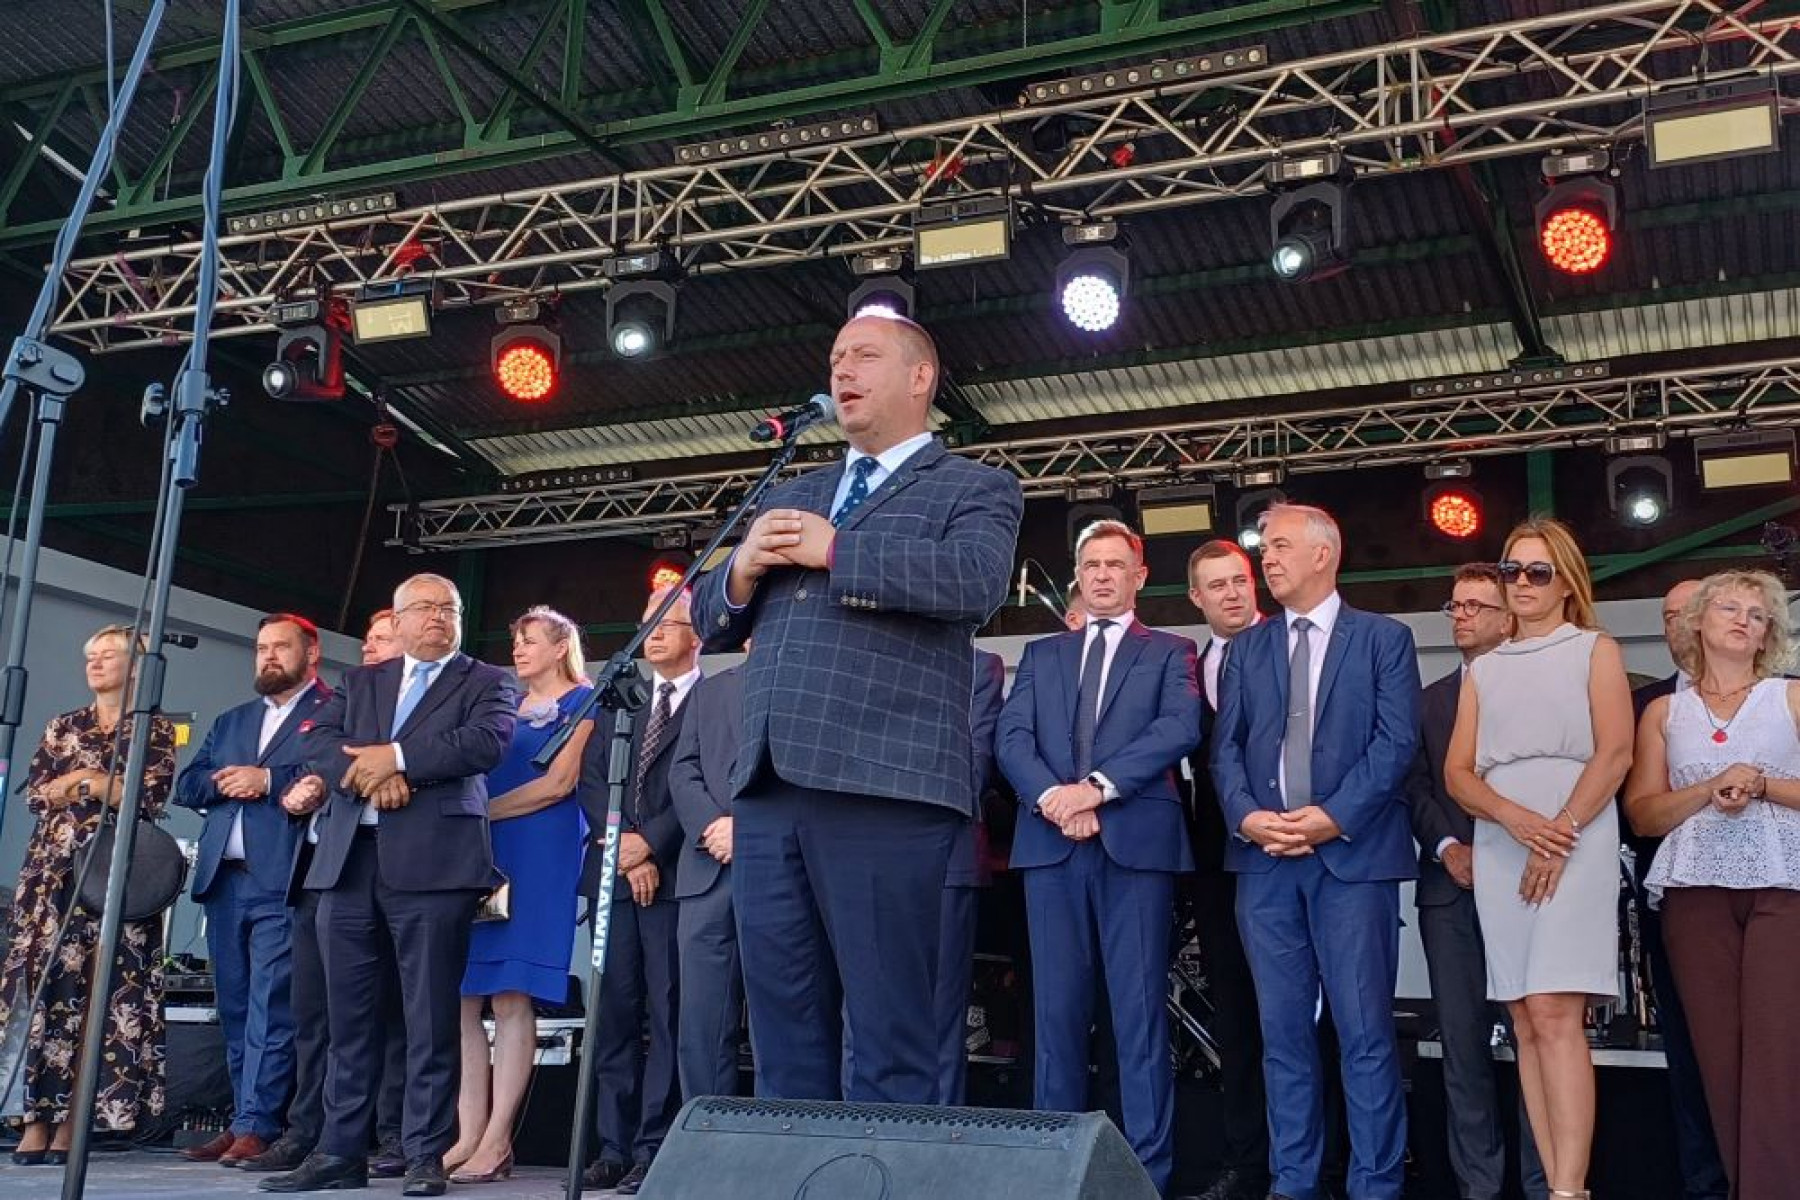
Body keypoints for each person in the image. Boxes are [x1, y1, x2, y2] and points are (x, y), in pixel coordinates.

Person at [689, 312, 1022, 1104]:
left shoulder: (974, 486)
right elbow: (708, 619)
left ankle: (883, 1166)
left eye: (865, 356)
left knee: (889, 1032)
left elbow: (973, 583)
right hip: (770, 788)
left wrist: (836, 549)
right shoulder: (793, 491)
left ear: (920, 378)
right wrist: (739, 569)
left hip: (886, 785)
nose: (842, 370)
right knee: (781, 1028)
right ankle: (794, 1167)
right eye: (836, 357)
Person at [262, 574, 516, 1198]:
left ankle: (424, 1153)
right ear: (397, 622)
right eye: (424, 608)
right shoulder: (362, 680)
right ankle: (339, 1151)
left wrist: (396, 759)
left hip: (436, 868)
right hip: (349, 864)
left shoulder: (487, 680)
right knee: (347, 1018)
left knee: (429, 1017)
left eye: (449, 608)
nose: (438, 617)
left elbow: (485, 743)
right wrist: (370, 774)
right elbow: (318, 740)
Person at [1210, 502, 1420, 1200]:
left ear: (1323, 554)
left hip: (1352, 861)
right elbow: (1225, 751)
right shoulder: (1247, 649)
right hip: (1264, 863)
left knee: (1365, 1034)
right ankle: (1292, 1183)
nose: (1266, 559)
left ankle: (1375, 1185)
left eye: (1279, 546)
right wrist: (1248, 818)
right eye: (1264, 547)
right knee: (1283, 1036)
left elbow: (1396, 743)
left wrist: (1334, 817)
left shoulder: (1384, 639)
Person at [998, 519, 1200, 1193]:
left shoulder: (1171, 651)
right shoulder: (1043, 654)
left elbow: (1179, 727)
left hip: (1133, 849)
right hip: (1051, 847)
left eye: (1116, 565)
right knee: (1054, 1017)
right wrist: (1054, 799)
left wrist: (1096, 790)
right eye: (1092, 565)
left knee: (1139, 1017)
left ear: (1140, 576)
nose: (1104, 575)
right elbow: (1012, 738)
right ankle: (1051, 1170)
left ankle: (1147, 1176)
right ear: (1079, 576)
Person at [1445, 518, 1633, 1200]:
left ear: (1566, 583)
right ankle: (1556, 1182)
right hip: (1504, 839)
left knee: (1555, 1008)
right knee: (1524, 1015)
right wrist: (1515, 819)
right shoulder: (1484, 669)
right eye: (1512, 570)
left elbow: (1616, 751)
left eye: (1537, 571)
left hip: (1575, 830)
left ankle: (1570, 1189)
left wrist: (1560, 830)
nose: (1521, 582)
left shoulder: (1594, 649)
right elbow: (1458, 773)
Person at [1624, 570, 1800, 1200]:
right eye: (1730, 608)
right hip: (1692, 889)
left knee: (1777, 1050)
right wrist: (1707, 787)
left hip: (1783, 885)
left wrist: (1761, 783)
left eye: (1757, 615)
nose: (1744, 620)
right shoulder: (1664, 712)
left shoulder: (1790, 697)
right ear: (1697, 621)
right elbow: (1643, 814)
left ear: (1769, 634)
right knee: (1717, 1059)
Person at [1, 624, 177, 1164]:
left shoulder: (153, 729)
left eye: (108, 655)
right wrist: (95, 783)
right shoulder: (64, 724)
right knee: (43, 992)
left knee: (101, 994)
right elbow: (37, 795)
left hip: (112, 878)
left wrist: (83, 782)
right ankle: (34, 1119)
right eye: (90, 656)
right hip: (51, 878)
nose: (95, 664)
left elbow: (146, 797)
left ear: (135, 668)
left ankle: (75, 1122)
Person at [244, 609, 408, 1176]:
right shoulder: (344, 699)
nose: (370, 648)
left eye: (383, 639)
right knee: (313, 1011)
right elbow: (315, 752)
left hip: (385, 868)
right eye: (367, 639)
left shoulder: (415, 710)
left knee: (388, 1012)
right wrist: (308, 787)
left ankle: (390, 1133)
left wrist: (345, 774)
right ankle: (307, 1130)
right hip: (322, 867)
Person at [1404, 566, 1546, 1200]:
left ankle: (1546, 1183)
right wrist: (1447, 847)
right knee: (1462, 1048)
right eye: (1455, 606)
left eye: (1475, 606)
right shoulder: (1428, 700)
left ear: (1507, 618)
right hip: (1450, 888)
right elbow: (1414, 785)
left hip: (1529, 885)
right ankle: (1479, 1188)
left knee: (1538, 1040)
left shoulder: (1541, 693)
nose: (1461, 616)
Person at [172, 614, 331, 1168]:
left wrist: (268, 781)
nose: (268, 656)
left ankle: (259, 1125)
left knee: (271, 1005)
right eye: (261, 647)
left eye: (281, 647)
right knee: (235, 1006)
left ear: (312, 653)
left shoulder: (333, 711)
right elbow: (187, 784)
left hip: (282, 878)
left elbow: (330, 772)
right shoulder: (233, 719)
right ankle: (243, 1118)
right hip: (224, 879)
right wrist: (225, 780)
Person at [446, 606, 594, 1184]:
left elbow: (558, 784)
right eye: (516, 640)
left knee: (511, 996)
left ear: (561, 647)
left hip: (538, 856)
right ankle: (467, 1133)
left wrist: (477, 812)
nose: (519, 648)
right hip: (484, 856)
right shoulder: (503, 704)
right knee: (463, 995)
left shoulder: (585, 701)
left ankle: (498, 1137)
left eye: (531, 639)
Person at [581, 587, 699, 1195]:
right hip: (616, 878)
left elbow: (702, 783)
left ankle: (653, 1147)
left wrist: (649, 844)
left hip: (677, 881)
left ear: (698, 633)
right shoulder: (621, 702)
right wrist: (625, 851)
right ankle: (612, 1144)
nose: (653, 634)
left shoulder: (710, 700)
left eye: (668, 623)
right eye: (647, 623)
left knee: (668, 1012)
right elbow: (592, 779)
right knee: (613, 1014)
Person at [1623, 580, 1729, 1200]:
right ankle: (1705, 1184)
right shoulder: (1644, 705)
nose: (1678, 625)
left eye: (1690, 612)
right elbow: (1632, 812)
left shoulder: (1781, 695)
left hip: (1770, 902)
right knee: (1689, 1050)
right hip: (1673, 901)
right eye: (1667, 616)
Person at [1181, 539, 1269, 1200]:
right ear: (1196, 598)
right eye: (1217, 585)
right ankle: (1247, 1164)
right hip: (1215, 864)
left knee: (1306, 1018)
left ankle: (1326, 1164)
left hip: (1287, 855)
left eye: (1239, 580)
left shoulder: (1291, 649)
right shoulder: (1186, 667)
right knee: (1234, 1017)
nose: (1232, 593)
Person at [668, 655, 747, 1104]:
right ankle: (704, 1127)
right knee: (701, 1020)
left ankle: (783, 1131)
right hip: (706, 870)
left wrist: (744, 828)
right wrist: (711, 825)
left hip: (778, 869)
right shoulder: (710, 690)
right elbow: (683, 769)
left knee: (787, 1015)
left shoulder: (811, 681)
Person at [935, 647, 1007, 1105]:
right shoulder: (866, 656)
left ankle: (938, 1132)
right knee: (863, 1012)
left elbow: (976, 764)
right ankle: (865, 1132)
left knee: (943, 1014)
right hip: (866, 854)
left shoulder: (980, 665)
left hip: (947, 850)